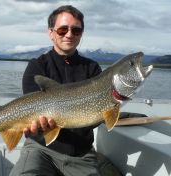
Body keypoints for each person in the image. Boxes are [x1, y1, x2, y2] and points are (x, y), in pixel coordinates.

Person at [9, 5, 145, 176]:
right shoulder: (37, 66)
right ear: (51, 32)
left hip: (82, 154)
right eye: (62, 29)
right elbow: (30, 107)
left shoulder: (92, 68)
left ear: (81, 34)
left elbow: (99, 117)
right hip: (40, 149)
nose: (69, 34)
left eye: (76, 30)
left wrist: (112, 108)